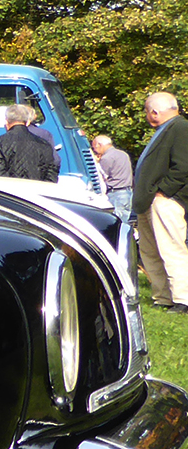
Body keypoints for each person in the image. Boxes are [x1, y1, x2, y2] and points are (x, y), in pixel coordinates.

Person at [134, 91, 188, 311]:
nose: (147, 116)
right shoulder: (165, 129)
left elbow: (183, 166)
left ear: (154, 112)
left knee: (171, 248)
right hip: (150, 201)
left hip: (165, 201)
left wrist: (163, 192)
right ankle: (162, 296)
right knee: (150, 251)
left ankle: (183, 298)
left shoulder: (180, 128)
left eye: (147, 111)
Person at [0, 103, 57, 181]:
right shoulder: (43, 143)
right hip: (38, 190)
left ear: (7, 121)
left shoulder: (0, 142)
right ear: (27, 122)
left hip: (10, 191)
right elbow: (51, 172)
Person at [93, 133, 134, 219]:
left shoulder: (106, 158)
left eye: (94, 148)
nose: (94, 151)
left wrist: (96, 163)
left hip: (115, 194)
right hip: (127, 192)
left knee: (115, 222)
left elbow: (101, 177)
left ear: (99, 145)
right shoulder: (123, 154)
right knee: (124, 222)